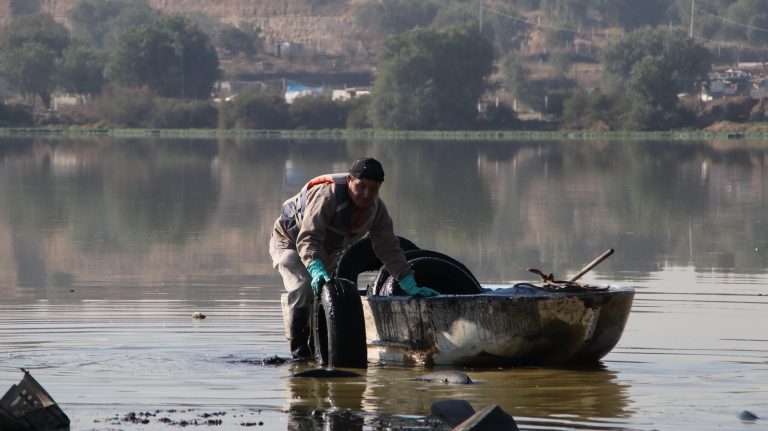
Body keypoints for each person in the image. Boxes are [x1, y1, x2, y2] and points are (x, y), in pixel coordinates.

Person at [269, 157, 439, 359]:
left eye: (373, 189)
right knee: (305, 286)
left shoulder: (377, 210)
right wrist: (315, 269)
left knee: (323, 295)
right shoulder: (327, 196)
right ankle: (298, 351)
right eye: (361, 186)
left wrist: (407, 281)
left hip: (326, 249)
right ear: (349, 180)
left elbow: (389, 249)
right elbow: (308, 239)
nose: (366, 194)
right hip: (289, 240)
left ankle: (317, 351)